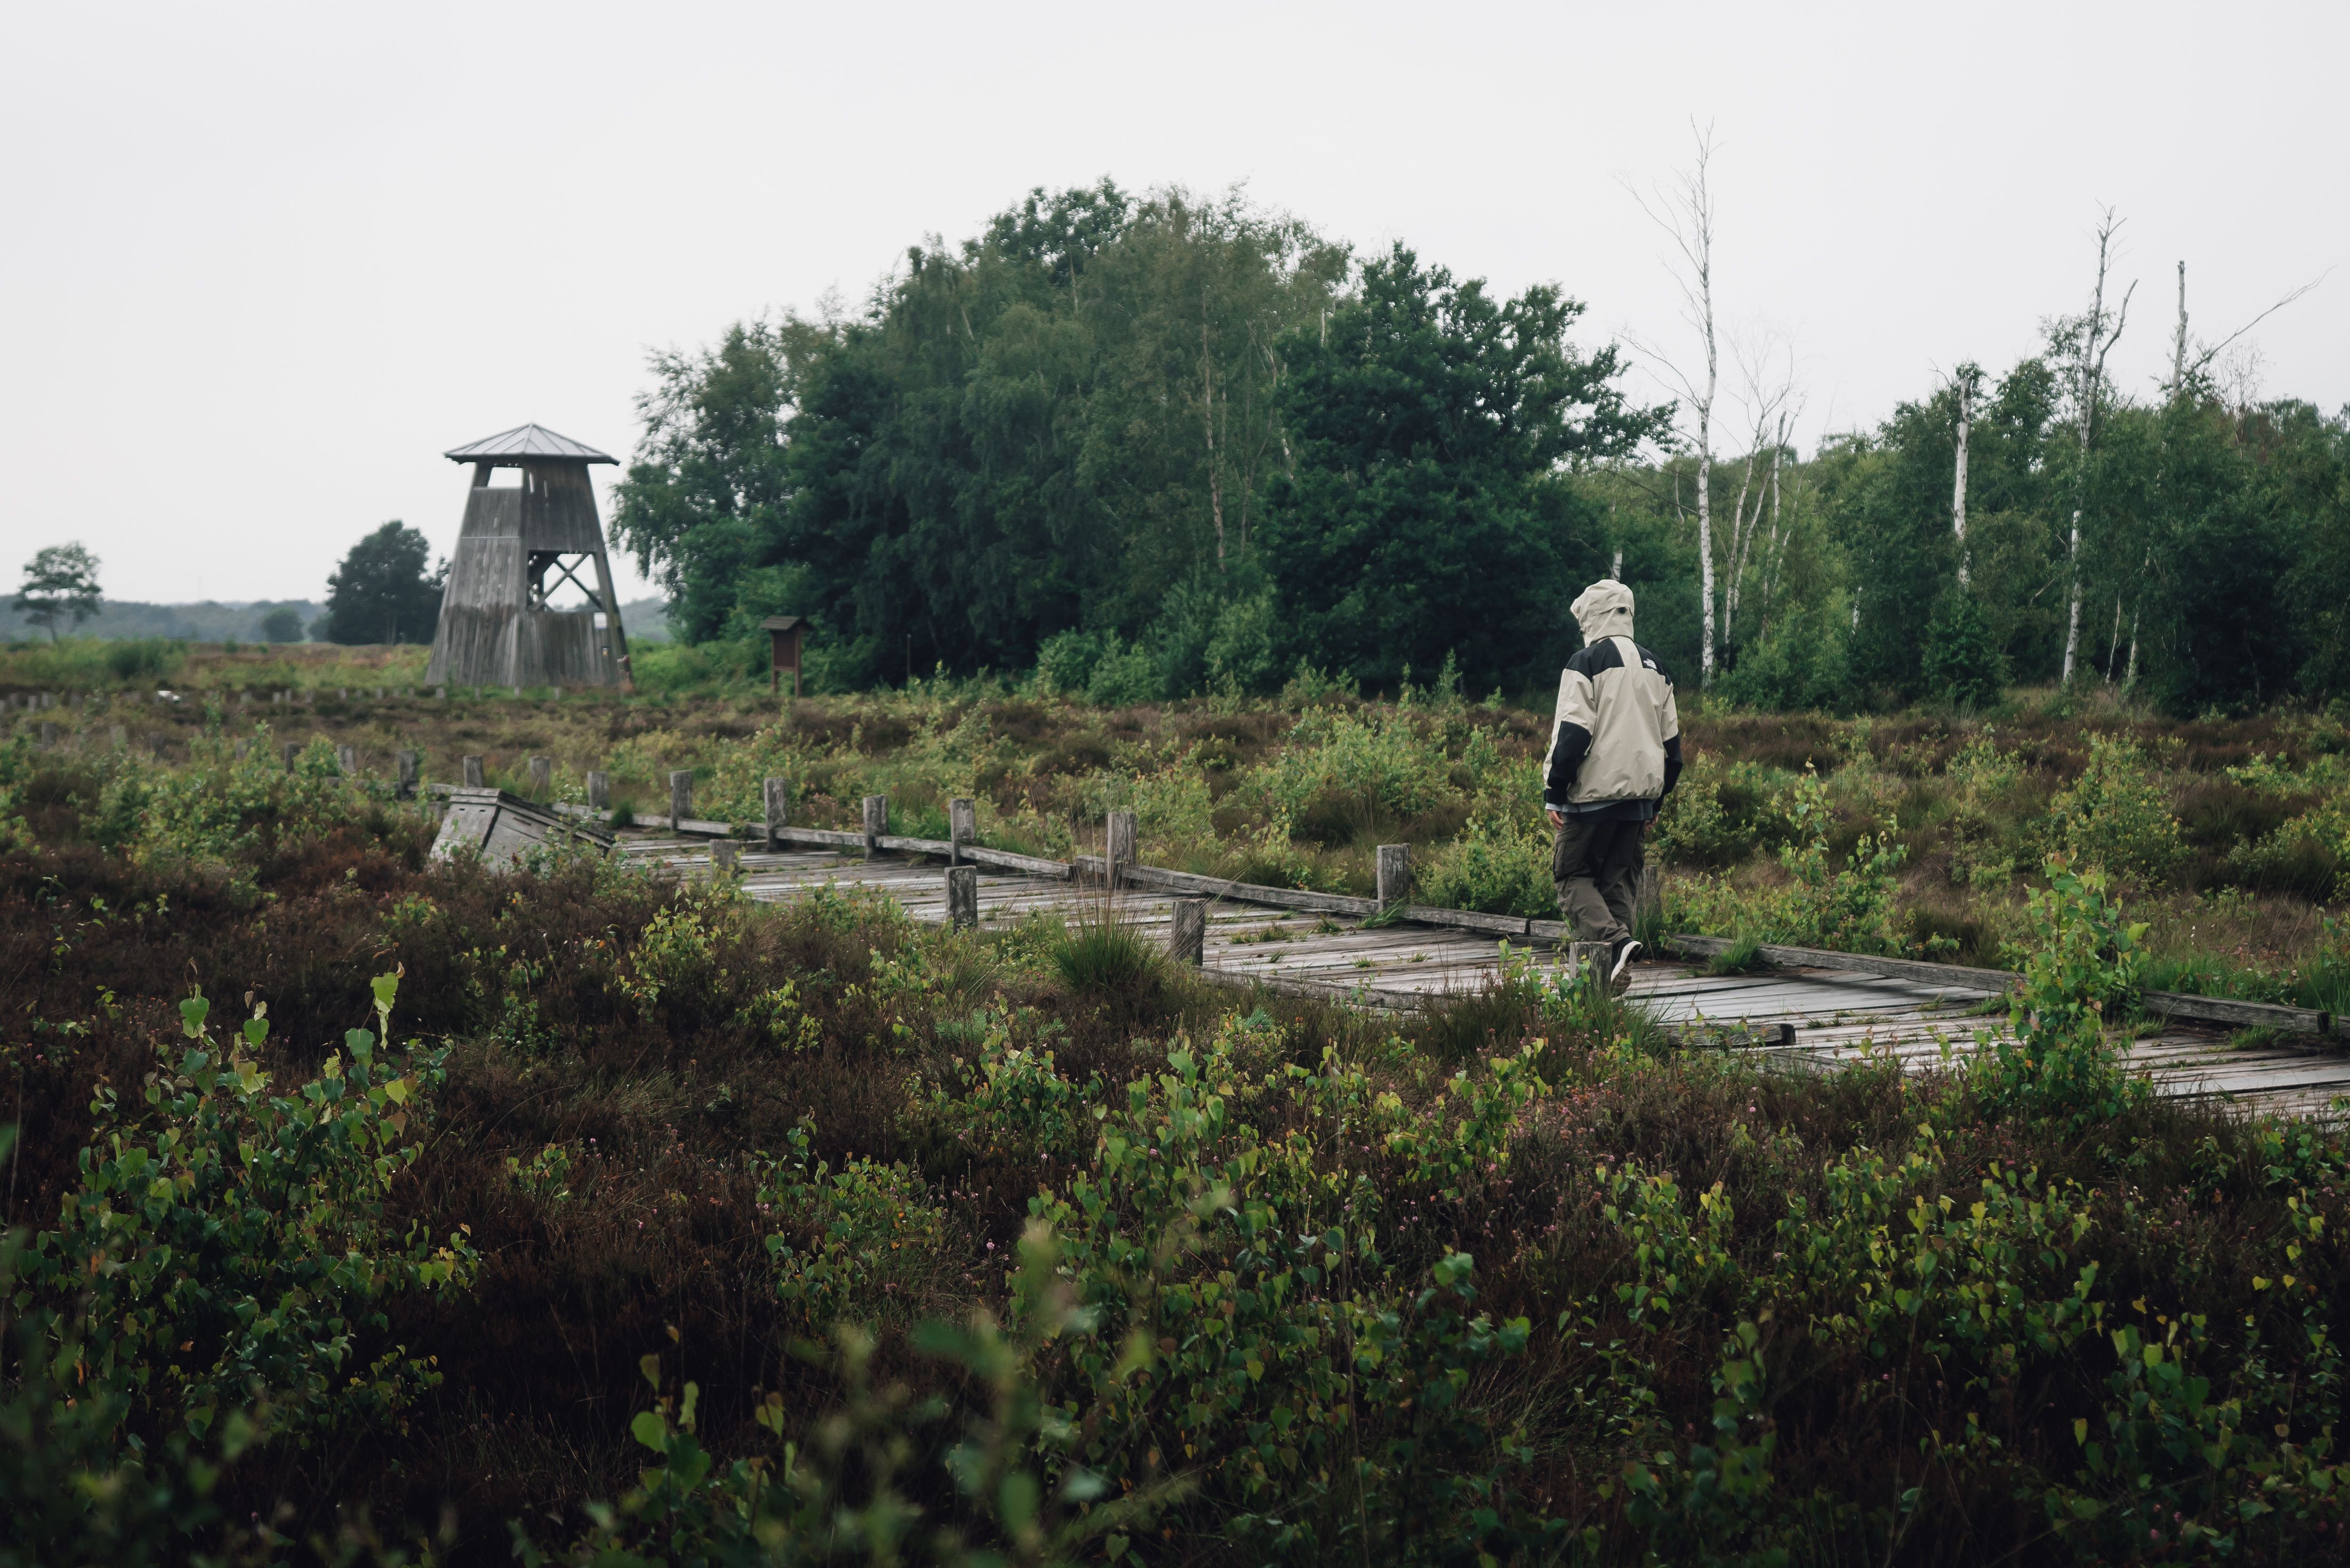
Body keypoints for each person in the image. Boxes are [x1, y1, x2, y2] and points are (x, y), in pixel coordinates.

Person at [1542, 579, 1683, 983]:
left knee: (1571, 878)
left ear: (1591, 615)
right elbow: (1673, 751)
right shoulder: (1657, 668)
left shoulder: (1585, 662)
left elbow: (1574, 735)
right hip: (1638, 803)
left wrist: (1555, 790)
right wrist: (1655, 802)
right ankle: (1612, 979)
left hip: (1591, 799)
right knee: (1618, 883)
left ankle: (1617, 946)